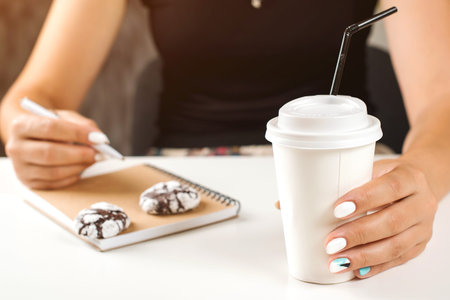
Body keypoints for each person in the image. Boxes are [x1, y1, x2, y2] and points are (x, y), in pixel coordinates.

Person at [0, 0, 449, 280]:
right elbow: (33, 97)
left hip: (350, 178)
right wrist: (30, 131)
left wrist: (424, 172)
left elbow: (441, 105)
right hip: (190, 189)